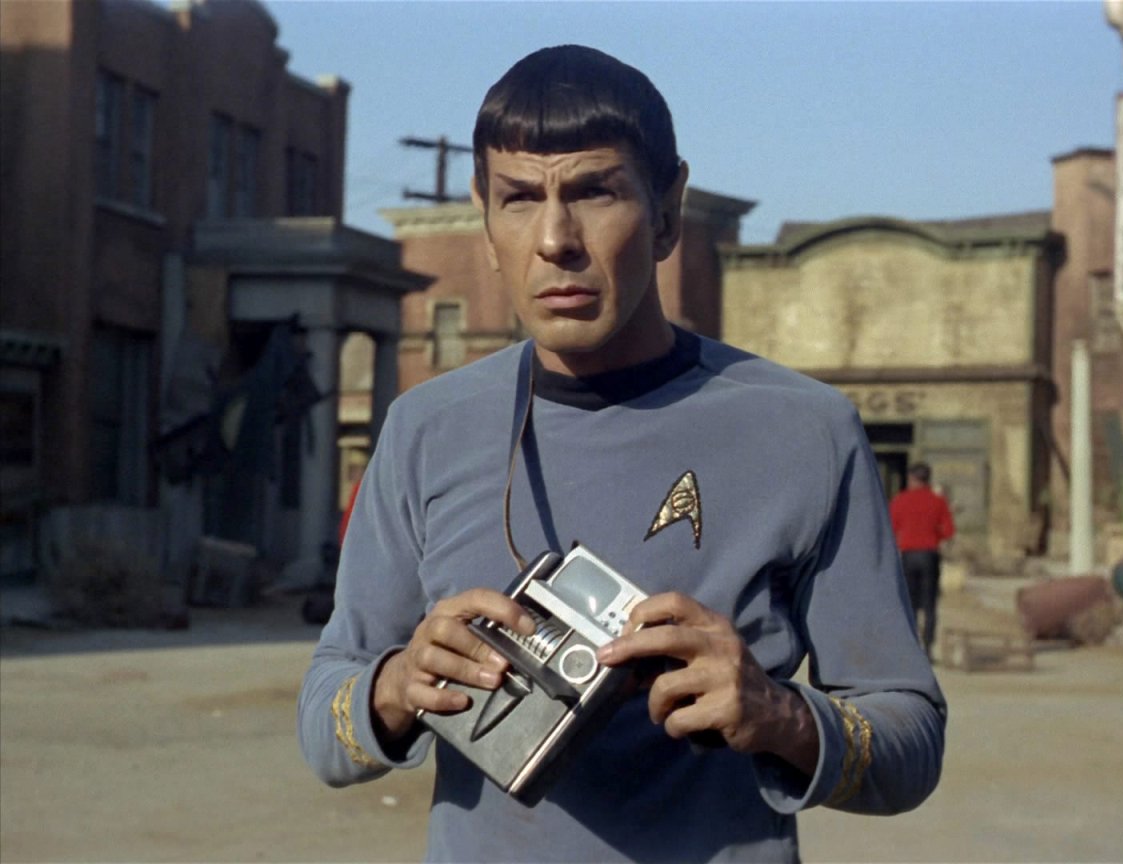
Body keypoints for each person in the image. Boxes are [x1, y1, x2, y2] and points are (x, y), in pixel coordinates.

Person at [298, 45, 945, 863]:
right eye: (519, 199)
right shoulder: (425, 428)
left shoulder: (805, 431)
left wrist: (777, 715)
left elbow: (912, 745)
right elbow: (323, 724)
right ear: (484, 220)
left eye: (595, 192)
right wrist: (397, 685)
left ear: (667, 211)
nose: (555, 240)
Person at [889, 462, 955, 659]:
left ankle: (911, 647)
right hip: (929, 556)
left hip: (908, 556)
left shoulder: (901, 500)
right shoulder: (938, 501)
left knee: (909, 603)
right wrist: (934, 536)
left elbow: (891, 528)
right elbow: (948, 531)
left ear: (911, 478)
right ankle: (928, 648)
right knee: (930, 604)